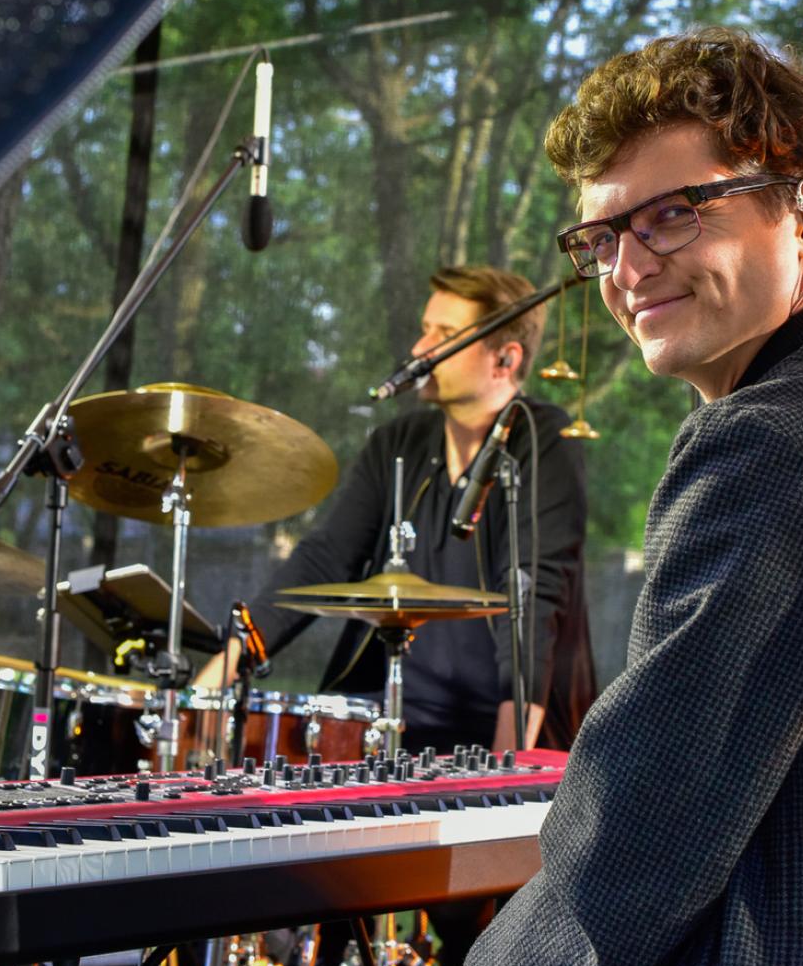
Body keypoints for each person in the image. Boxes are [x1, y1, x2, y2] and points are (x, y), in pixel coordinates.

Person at [185, 26, 803, 966]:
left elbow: (642, 839)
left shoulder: (780, 439)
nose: (626, 269)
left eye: (673, 214)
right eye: (604, 236)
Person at [202, 263, 595, 757]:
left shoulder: (543, 440)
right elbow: (326, 558)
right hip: (382, 717)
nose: (419, 348)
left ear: (504, 359)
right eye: (425, 329)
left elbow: (534, 597)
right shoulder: (399, 442)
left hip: (488, 731)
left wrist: (501, 774)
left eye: (444, 335)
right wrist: (213, 682)